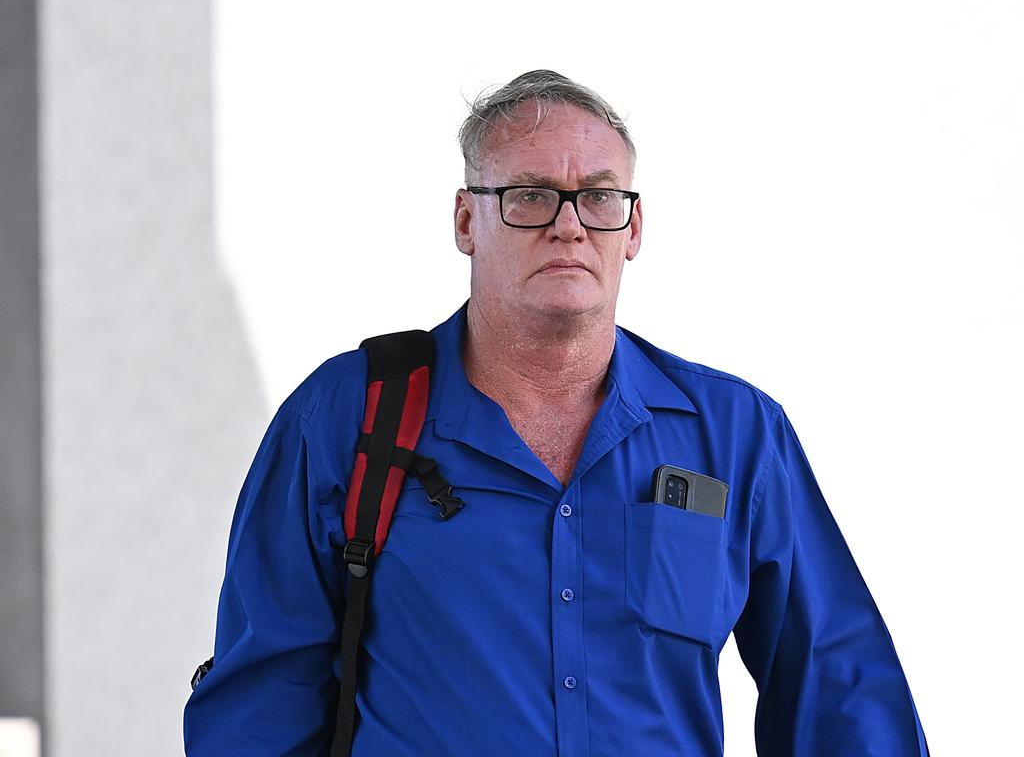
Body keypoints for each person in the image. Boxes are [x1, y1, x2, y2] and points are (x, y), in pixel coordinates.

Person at [183, 70, 929, 755]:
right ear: (467, 221)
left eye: (601, 197)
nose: (569, 225)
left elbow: (843, 693)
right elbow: (259, 710)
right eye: (532, 194)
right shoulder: (347, 417)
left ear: (632, 229)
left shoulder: (734, 436)